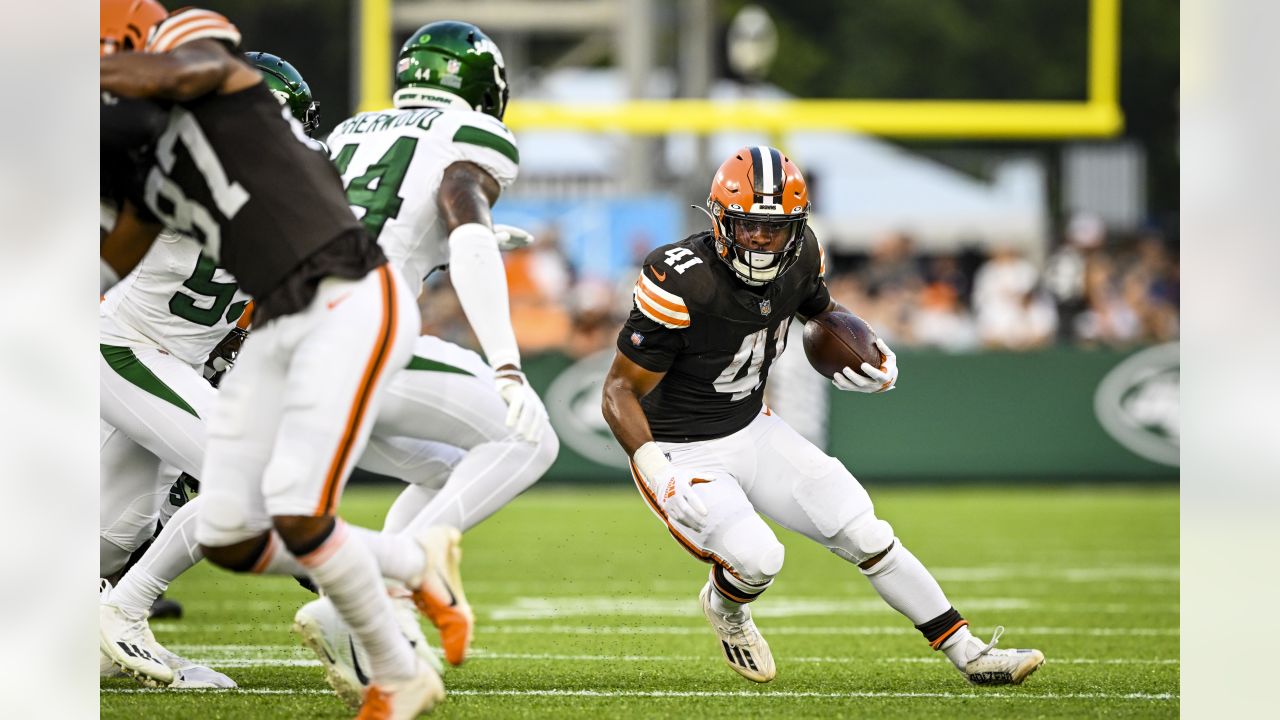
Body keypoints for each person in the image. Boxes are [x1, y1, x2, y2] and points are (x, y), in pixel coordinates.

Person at [99, 6, 448, 715]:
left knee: (110, 536)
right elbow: (111, 262)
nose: (295, 142)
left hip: (180, 366)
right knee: (247, 482)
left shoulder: (276, 190)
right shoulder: (169, 160)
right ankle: (377, 590)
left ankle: (96, 621)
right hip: (129, 350)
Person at [600, 146, 1045, 686]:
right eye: (748, 225)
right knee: (759, 559)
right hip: (680, 448)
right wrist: (658, 471)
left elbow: (822, 312)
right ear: (720, 220)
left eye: (775, 227)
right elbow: (619, 390)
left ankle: (970, 654)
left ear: (797, 228)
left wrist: (869, 348)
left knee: (865, 531)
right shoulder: (682, 280)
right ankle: (726, 607)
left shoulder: (804, 255)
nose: (762, 239)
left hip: (752, 427)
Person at [294, 21, 560, 704]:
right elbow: (463, 226)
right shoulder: (475, 136)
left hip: (286, 328)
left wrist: (475, 238)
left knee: (443, 467)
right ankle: (376, 592)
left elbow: (372, 224)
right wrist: (505, 362)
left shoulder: (350, 130)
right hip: (359, 332)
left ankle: (377, 606)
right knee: (528, 437)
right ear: (481, 88)